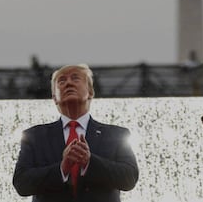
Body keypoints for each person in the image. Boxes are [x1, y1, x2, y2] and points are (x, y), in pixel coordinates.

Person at [13, 64, 139, 202]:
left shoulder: (117, 135)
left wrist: (90, 162)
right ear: (54, 97)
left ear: (90, 92)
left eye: (75, 78)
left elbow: (129, 178)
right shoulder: (34, 136)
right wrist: (62, 168)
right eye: (61, 81)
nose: (68, 83)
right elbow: (21, 183)